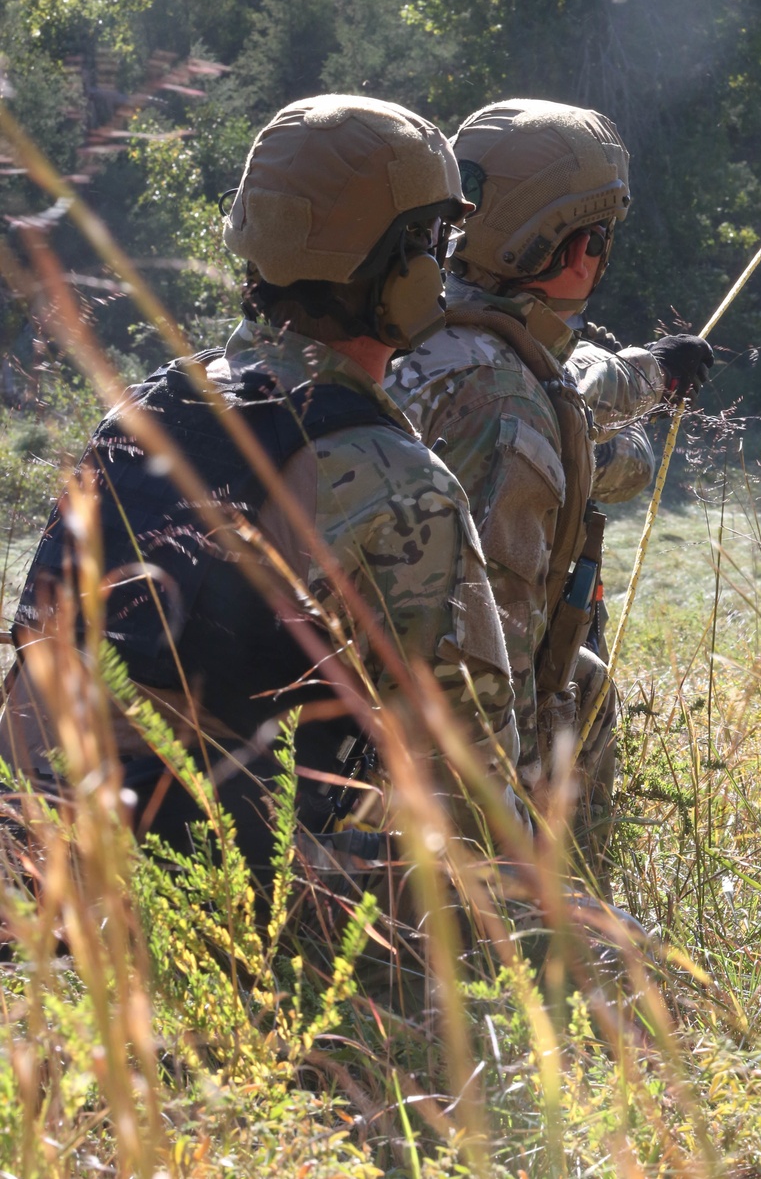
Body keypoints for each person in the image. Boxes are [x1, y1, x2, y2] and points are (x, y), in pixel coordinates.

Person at [3, 95, 519, 892]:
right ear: (405, 266)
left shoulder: (144, 407)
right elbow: (476, 775)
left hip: (38, 860)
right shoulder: (396, 478)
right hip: (207, 891)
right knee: (576, 934)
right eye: (435, 241)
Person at [389, 99, 712, 886]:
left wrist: (651, 376)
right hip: (420, 782)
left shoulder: (396, 320)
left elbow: (573, 395)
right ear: (580, 250)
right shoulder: (507, 410)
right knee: (583, 687)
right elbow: (489, 670)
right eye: (600, 244)